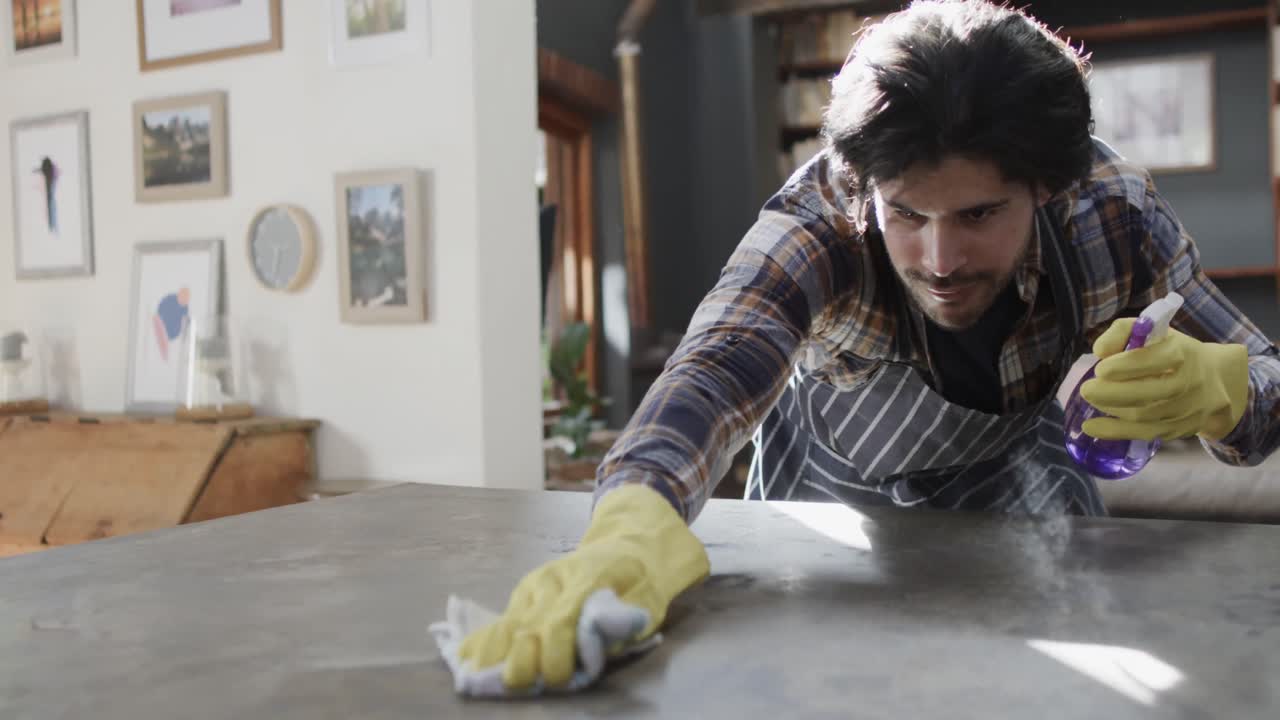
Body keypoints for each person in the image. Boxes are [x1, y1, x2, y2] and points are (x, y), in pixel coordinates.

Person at [460, 0, 1280, 690]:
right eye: (908, 216)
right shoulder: (823, 217)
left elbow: (1268, 386)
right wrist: (632, 520)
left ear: (1046, 186)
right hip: (828, 537)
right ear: (865, 189)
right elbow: (714, 366)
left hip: (1033, 528)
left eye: (979, 215)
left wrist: (1230, 394)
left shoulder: (1111, 214)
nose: (940, 260)